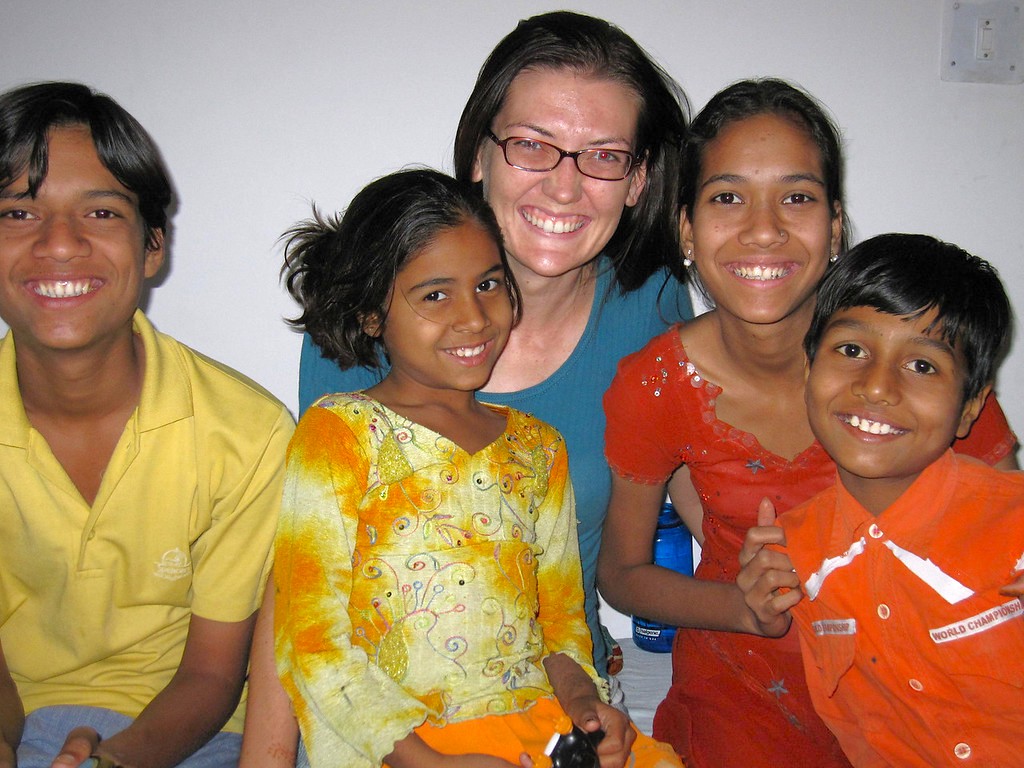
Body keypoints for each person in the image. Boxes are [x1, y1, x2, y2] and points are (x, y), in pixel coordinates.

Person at [596, 79, 1017, 768]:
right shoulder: (656, 384)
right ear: (687, 230)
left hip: (921, 687)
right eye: (727, 197)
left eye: (797, 197)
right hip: (747, 691)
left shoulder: (916, 367)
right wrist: (742, 606)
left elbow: (1002, 534)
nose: (764, 228)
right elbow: (622, 573)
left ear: (835, 228)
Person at [295, 10, 694, 678]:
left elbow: (695, 476)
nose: (564, 187)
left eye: (603, 156)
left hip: (558, 700)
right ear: (481, 155)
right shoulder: (369, 302)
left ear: (639, 180)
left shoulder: (652, 308)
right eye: (532, 145)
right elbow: (314, 586)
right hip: (384, 712)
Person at [269, 168, 682, 768]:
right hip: (398, 746)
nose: (473, 317)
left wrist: (585, 707)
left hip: (532, 729)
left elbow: (560, 626)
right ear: (369, 315)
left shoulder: (540, 448)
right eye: (434, 294)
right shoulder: (339, 434)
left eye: (489, 284)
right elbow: (312, 643)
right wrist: (430, 762)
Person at [0, 82, 294, 768]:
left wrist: (110, 760)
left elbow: (213, 677)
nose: (59, 244)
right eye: (17, 213)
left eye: (100, 212)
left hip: (190, 739)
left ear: (153, 246)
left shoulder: (245, 434)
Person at [737, 233, 1024, 767]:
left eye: (923, 366)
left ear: (969, 408)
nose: (876, 387)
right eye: (851, 351)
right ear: (808, 371)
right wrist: (763, 612)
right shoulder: (793, 554)